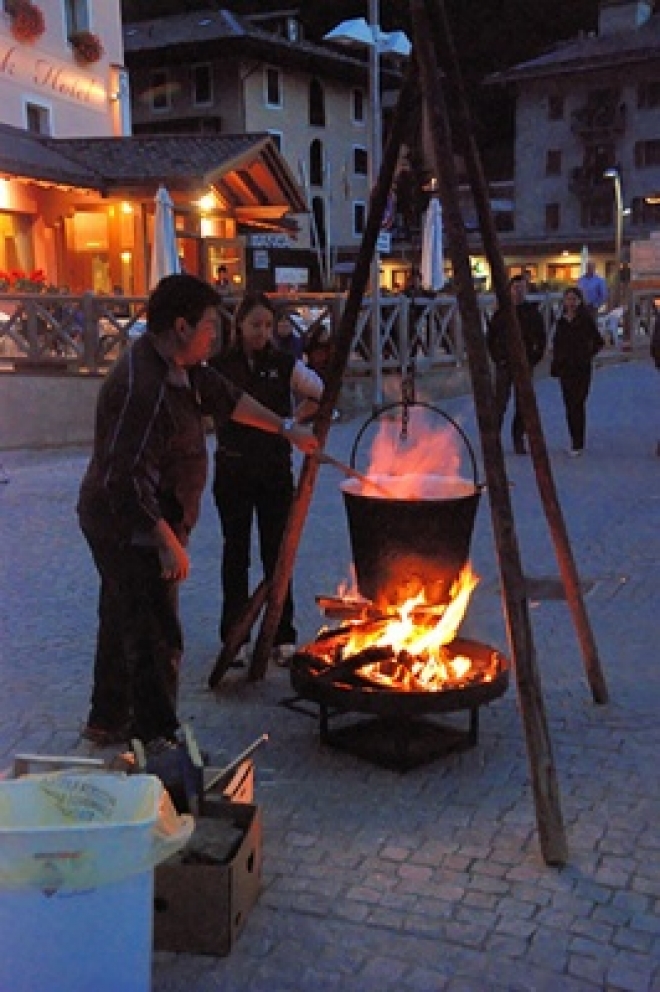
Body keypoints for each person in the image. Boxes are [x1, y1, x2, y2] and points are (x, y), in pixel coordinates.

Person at [77, 274, 318, 751]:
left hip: (148, 518)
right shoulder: (142, 384)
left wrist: (285, 427)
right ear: (182, 326)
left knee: (122, 613)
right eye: (211, 325)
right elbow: (122, 478)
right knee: (155, 634)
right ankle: (158, 740)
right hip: (127, 524)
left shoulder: (184, 366)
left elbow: (228, 399)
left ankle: (106, 720)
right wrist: (164, 540)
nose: (218, 335)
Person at [209, 291, 324, 668]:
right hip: (233, 468)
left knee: (278, 552)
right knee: (235, 553)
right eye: (254, 324)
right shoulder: (220, 365)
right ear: (239, 325)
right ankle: (235, 635)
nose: (261, 332)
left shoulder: (283, 362)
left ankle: (281, 633)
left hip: (275, 470)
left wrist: (294, 424)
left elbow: (320, 392)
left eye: (267, 325)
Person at [486, 274, 547, 454]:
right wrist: (498, 358)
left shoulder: (532, 312)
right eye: (515, 287)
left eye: (522, 287)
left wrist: (533, 358)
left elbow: (541, 338)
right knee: (500, 402)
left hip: (524, 363)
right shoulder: (501, 313)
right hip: (505, 363)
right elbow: (491, 338)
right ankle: (494, 439)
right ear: (510, 290)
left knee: (523, 404)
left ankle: (518, 437)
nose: (518, 291)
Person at [550, 285, 605, 457]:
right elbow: (557, 344)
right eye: (568, 299)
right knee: (569, 405)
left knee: (578, 403)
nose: (571, 303)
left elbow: (599, 341)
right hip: (566, 369)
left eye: (574, 299)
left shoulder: (585, 320)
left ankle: (578, 442)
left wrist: (587, 355)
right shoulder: (561, 322)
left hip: (581, 368)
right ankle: (574, 439)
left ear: (579, 301)